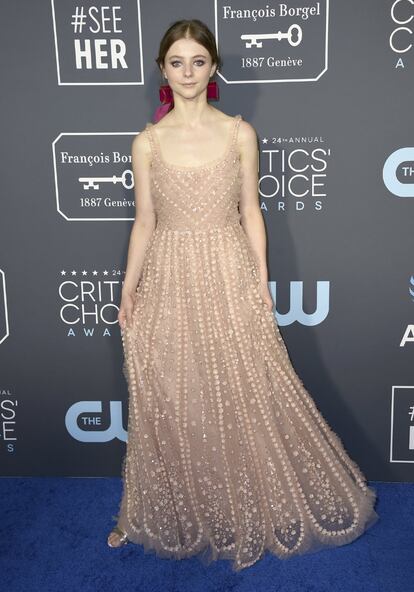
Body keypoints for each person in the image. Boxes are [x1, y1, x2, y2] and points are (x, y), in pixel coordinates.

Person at [107, 19, 379, 571]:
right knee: (171, 393)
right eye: (177, 62)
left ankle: (244, 500)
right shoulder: (146, 142)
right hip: (169, 271)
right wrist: (128, 289)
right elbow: (144, 222)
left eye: (198, 61)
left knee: (245, 384)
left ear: (214, 68)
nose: (188, 72)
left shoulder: (239, 133)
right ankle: (148, 511)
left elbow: (252, 211)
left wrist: (260, 277)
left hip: (227, 267)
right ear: (163, 70)